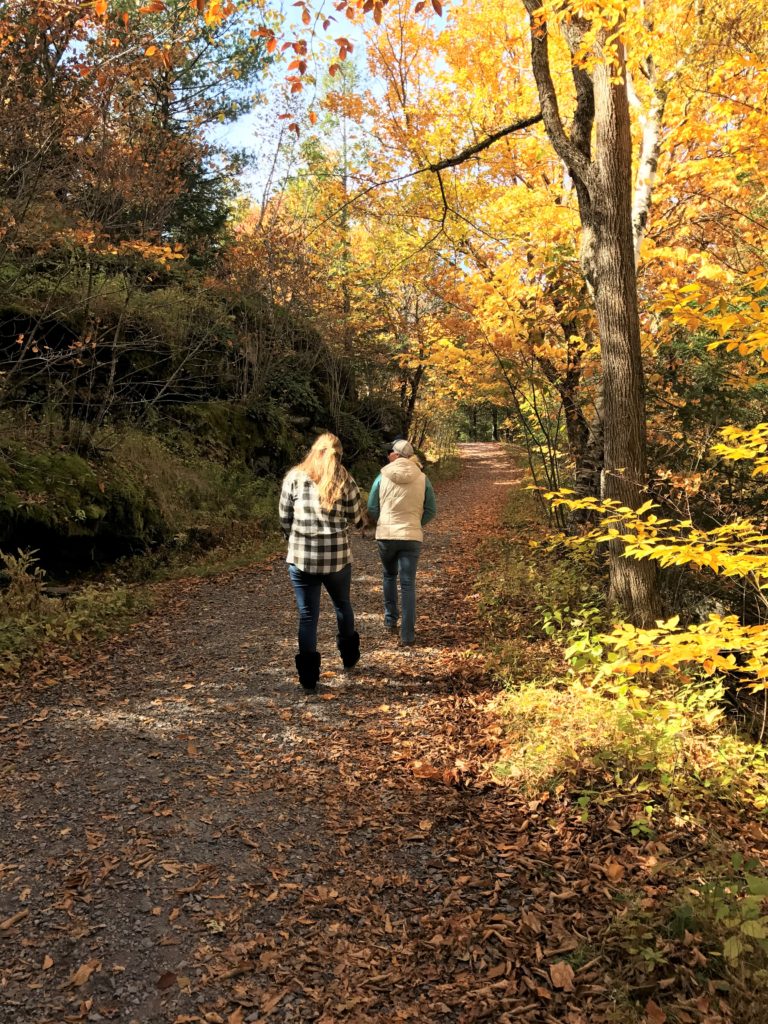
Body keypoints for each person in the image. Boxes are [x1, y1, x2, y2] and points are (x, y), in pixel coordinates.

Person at [279, 433, 365, 692]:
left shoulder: (294, 477)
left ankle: (308, 678)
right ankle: (349, 656)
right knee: (342, 605)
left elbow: (285, 516)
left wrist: (292, 537)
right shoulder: (344, 479)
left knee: (307, 616)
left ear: (314, 450)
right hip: (336, 557)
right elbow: (355, 516)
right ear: (339, 455)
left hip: (302, 557)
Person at [367, 439, 437, 646]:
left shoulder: (382, 476)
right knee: (408, 584)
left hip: (386, 536)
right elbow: (431, 510)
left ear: (396, 455)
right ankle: (407, 635)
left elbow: (372, 507)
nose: (388, 454)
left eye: (391, 452)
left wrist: (383, 522)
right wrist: (416, 523)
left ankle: (390, 621)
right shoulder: (423, 478)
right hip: (410, 537)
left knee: (389, 575)